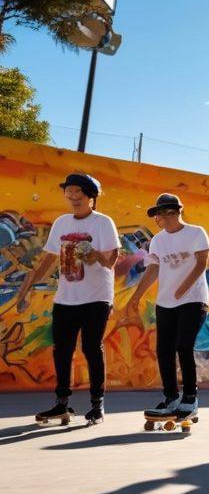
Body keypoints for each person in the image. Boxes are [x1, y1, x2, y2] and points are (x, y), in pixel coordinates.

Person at [16, 172, 120, 425]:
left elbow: (111, 259)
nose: (73, 197)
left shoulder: (103, 223)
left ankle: (97, 405)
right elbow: (49, 259)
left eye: (79, 193)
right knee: (61, 350)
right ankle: (62, 404)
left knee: (91, 348)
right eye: (69, 192)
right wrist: (26, 288)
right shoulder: (62, 223)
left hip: (96, 297)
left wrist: (94, 255)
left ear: (91, 198)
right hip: (66, 298)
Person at [125, 193, 209, 424]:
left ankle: (190, 398)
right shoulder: (158, 241)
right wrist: (136, 297)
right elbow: (153, 269)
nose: (163, 219)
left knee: (184, 346)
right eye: (160, 215)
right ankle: (172, 398)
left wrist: (183, 288)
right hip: (166, 303)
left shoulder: (196, 233)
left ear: (177, 212)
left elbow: (203, 261)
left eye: (167, 214)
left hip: (193, 300)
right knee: (164, 350)